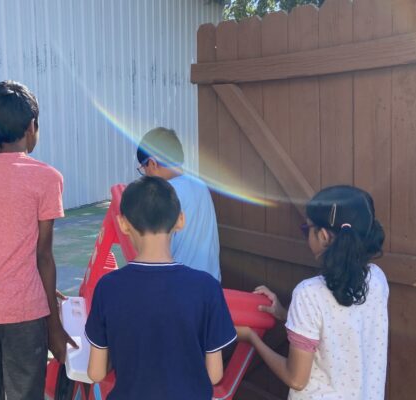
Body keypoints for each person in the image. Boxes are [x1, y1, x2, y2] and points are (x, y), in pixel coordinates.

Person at [0, 81, 76, 400]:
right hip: (21, 312)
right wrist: (54, 327)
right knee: (25, 394)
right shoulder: (47, 178)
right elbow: (43, 256)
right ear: (32, 126)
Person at [85, 176, 236, 400]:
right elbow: (214, 374)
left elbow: (96, 372)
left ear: (124, 224)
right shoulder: (207, 288)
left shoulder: (108, 287)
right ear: (181, 220)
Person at [237, 185, 389, 400]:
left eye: (307, 229)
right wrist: (283, 313)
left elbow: (296, 379)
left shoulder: (309, 293)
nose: (306, 234)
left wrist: (252, 338)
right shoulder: (377, 279)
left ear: (324, 235)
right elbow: (340, 325)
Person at [136, 127, 221, 281]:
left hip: (180, 288)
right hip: (211, 282)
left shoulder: (165, 194)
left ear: (153, 163)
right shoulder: (200, 185)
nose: (145, 175)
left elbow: (153, 253)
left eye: (144, 169)